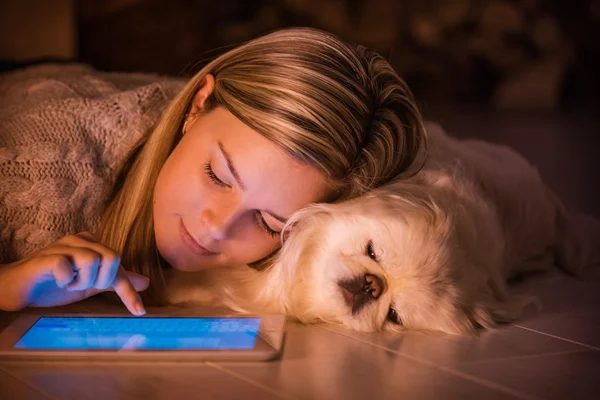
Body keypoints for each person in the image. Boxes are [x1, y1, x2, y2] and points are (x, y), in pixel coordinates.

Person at [0, 27, 426, 316]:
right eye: (218, 175)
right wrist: (9, 286)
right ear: (198, 103)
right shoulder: (32, 166)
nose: (217, 227)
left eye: (267, 221)